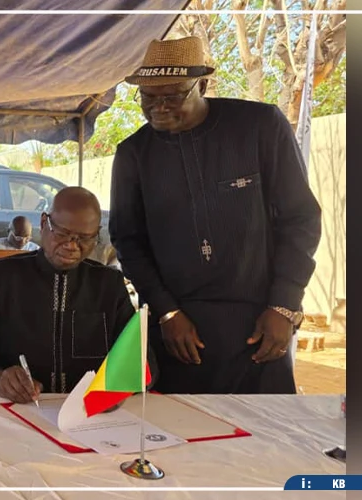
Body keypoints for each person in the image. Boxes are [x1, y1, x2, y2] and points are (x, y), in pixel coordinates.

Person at [109, 37, 322, 394]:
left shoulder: (261, 127)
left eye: (172, 96)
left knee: (263, 425)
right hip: (178, 330)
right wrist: (166, 311)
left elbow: (300, 219)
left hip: (260, 321)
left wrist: (284, 305)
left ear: (203, 85)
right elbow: (127, 240)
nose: (159, 108)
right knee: (178, 425)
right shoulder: (133, 154)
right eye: (148, 97)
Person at [0, 188, 151, 403]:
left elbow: (141, 357)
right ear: (44, 223)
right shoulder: (3, 276)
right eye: (62, 234)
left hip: (89, 411)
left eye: (84, 238)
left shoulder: (108, 284)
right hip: (18, 408)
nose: (71, 245)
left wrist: (116, 386)